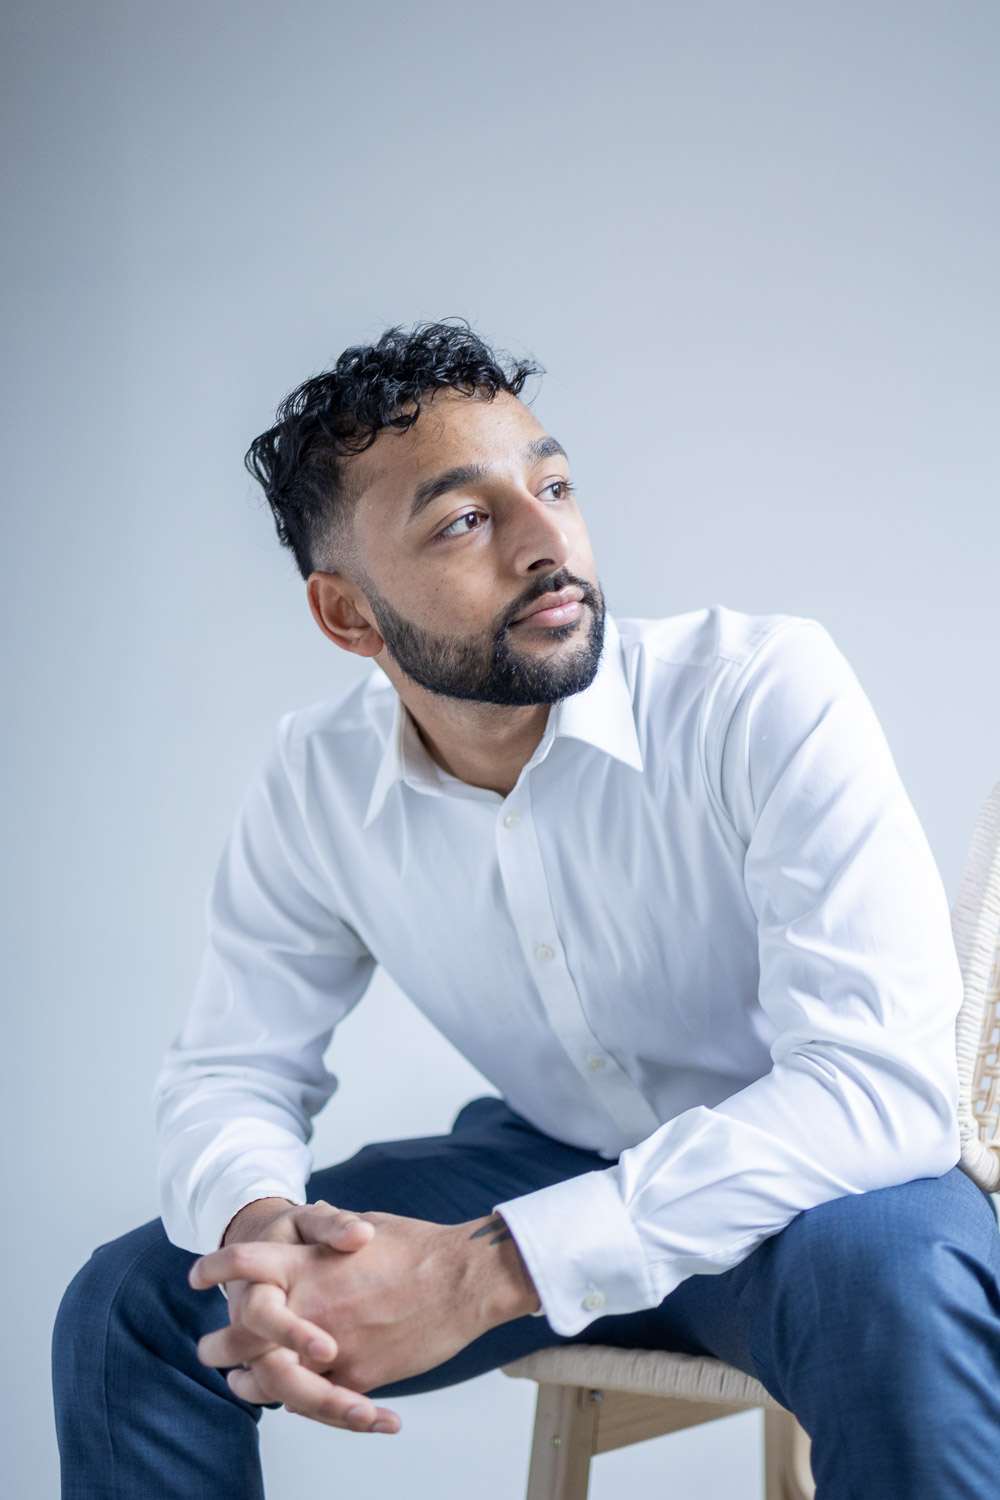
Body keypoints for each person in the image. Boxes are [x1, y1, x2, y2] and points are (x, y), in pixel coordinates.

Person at [54, 321, 1000, 1499]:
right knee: (141, 1306)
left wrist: (484, 1271)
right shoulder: (314, 780)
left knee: (901, 1282)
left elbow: (878, 1087)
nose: (549, 542)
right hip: (549, 1159)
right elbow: (233, 1068)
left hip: (808, 1187)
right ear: (348, 616)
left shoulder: (758, 693)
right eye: (464, 519)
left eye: (553, 487)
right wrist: (260, 1229)